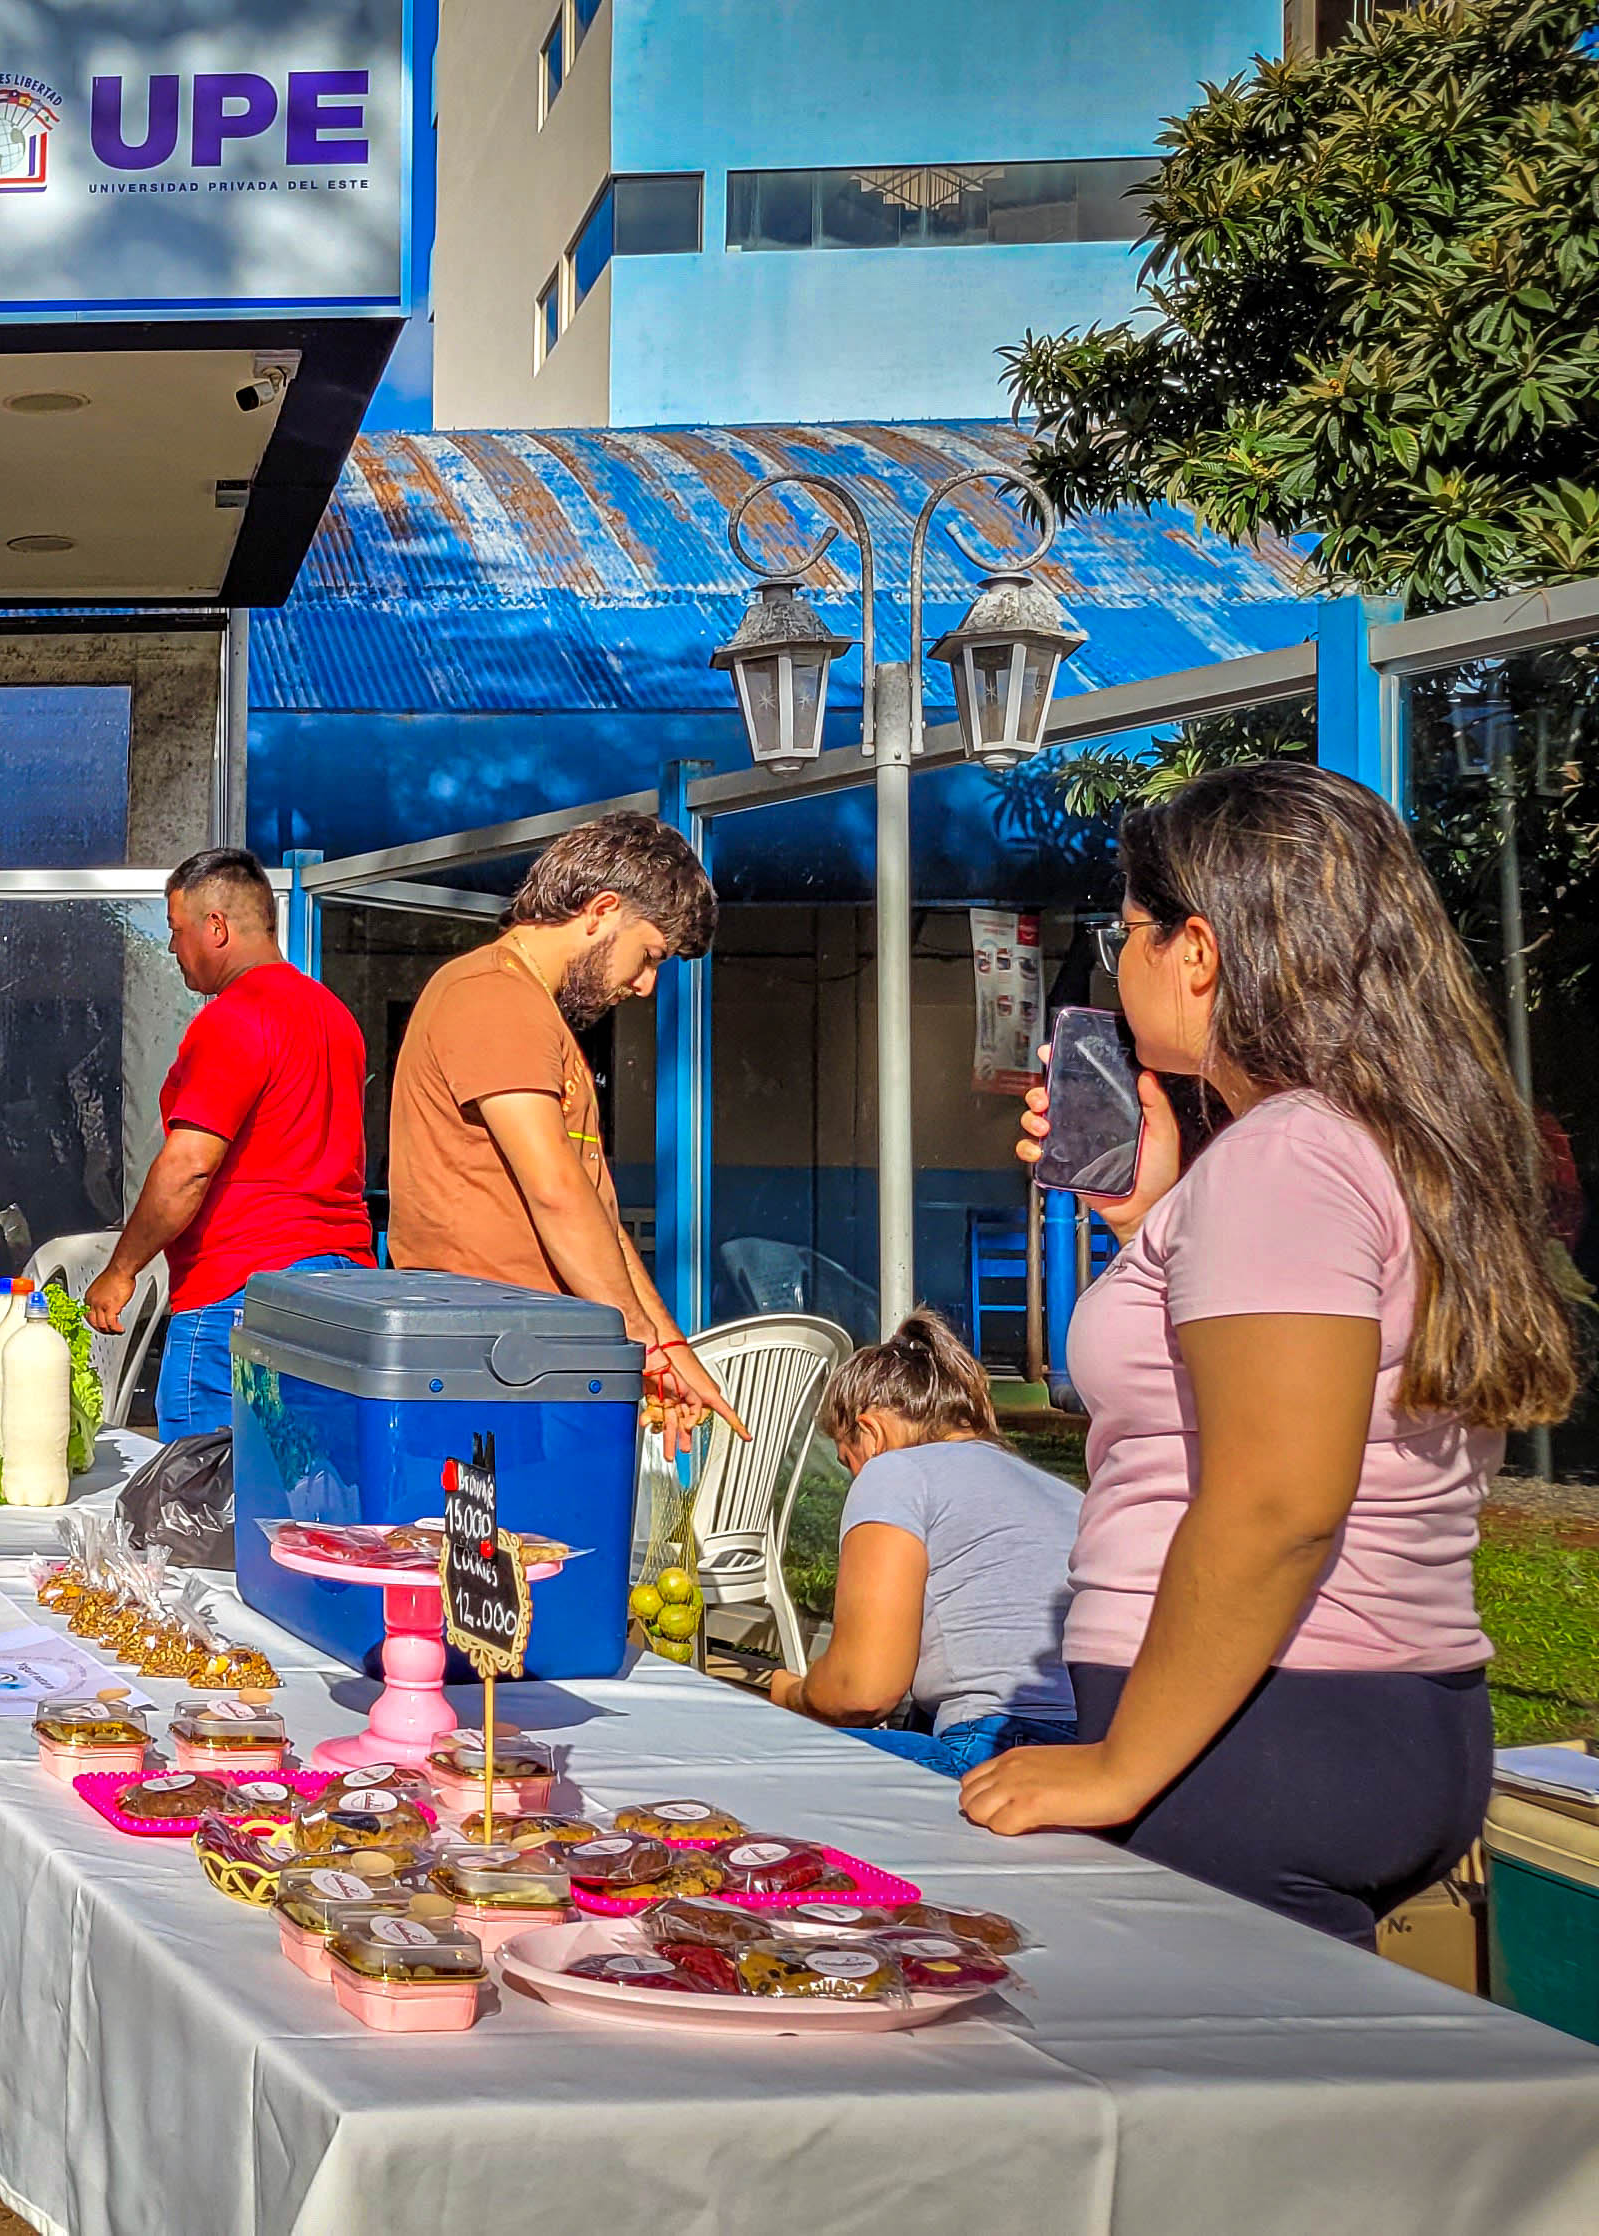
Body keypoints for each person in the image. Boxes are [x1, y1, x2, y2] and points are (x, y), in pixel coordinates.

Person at [965, 763, 1573, 1948]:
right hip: (1370, 1718)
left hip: (1256, 1738)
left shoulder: (1286, 1160)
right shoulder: (1380, 1142)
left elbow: (1277, 1502)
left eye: (1126, 931)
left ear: (1200, 950)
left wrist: (1121, 1765)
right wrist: (1154, 1219)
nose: (1118, 959)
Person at [384, 812, 743, 1444]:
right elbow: (553, 1190)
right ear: (602, 909)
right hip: (478, 1366)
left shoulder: (536, 1013)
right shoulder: (492, 995)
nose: (646, 985)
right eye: (649, 955)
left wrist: (666, 1344)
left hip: (522, 1363)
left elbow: (589, 1209)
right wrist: (635, 1343)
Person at [84, 849, 374, 1439]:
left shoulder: (235, 1017)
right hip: (339, 1286)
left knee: (204, 1504)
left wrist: (122, 1269)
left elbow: (189, 1166)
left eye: (176, 930)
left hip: (239, 1291)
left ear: (215, 926)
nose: (172, 948)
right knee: (302, 1496)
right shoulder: (332, 1013)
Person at [767, 1312, 1081, 1779]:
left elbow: (863, 1690)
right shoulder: (1066, 1496)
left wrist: (793, 1693)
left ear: (870, 1434)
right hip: (1087, 1751)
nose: (855, 1475)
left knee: (748, 1753)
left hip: (990, 1750)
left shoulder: (897, 1471)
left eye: (847, 1460)